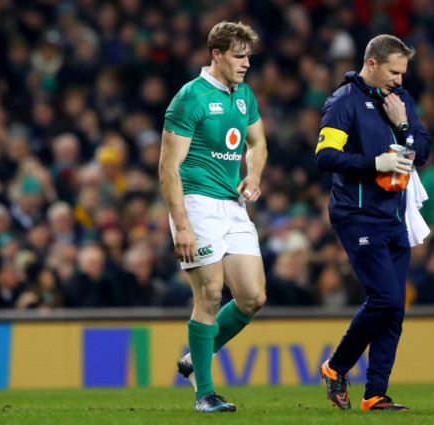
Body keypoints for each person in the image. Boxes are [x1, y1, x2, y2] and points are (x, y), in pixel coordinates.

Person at [315, 34, 432, 411]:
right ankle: (336, 367)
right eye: (393, 71)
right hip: (357, 215)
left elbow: (423, 150)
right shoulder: (343, 102)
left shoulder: (401, 102)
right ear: (371, 64)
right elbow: (325, 156)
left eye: (403, 72)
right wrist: (374, 163)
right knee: (384, 297)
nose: (399, 79)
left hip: (394, 217)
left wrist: (402, 127)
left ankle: (375, 394)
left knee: (394, 307)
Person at [158, 21, 267, 413]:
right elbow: (168, 168)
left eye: (249, 57)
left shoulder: (245, 97)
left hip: (232, 205)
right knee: (209, 294)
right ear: (216, 55)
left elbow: (257, 143)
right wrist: (182, 225)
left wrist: (253, 175)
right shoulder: (190, 98)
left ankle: (193, 360)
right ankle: (204, 394)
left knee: (253, 297)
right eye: (239, 56)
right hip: (197, 203)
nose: (246, 64)